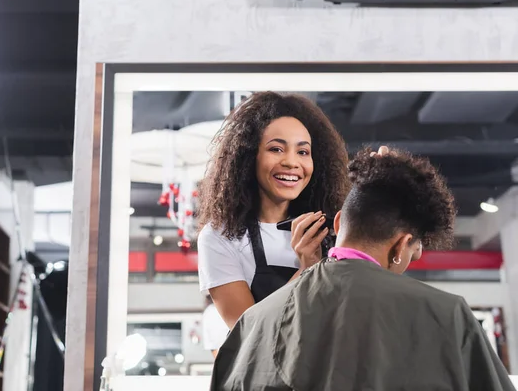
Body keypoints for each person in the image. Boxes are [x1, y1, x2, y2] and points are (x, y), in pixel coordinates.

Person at [210, 148, 516, 391]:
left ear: (340, 222)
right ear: (400, 246)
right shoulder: (448, 315)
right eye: (413, 251)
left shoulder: (253, 323)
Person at [197, 91, 351, 330]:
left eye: (303, 152)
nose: (291, 162)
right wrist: (307, 269)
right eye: (276, 149)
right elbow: (249, 332)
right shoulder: (220, 236)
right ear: (249, 156)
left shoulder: (333, 229)